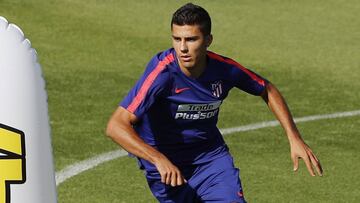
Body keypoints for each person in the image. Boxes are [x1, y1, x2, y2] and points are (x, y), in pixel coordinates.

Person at [106, 3, 323, 203]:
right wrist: (158, 159)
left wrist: (294, 138)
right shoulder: (162, 73)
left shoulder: (224, 69)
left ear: (208, 40)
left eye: (191, 39)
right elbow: (116, 126)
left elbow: (266, 88)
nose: (182, 48)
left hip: (210, 159)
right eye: (177, 39)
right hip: (168, 169)